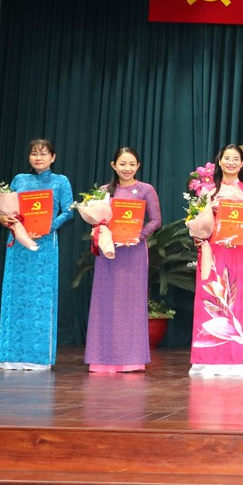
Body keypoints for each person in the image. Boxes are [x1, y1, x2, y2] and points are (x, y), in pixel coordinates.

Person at [0, 139, 74, 370]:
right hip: (18, 242)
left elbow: (69, 210)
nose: (38, 157)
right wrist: (3, 218)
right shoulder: (20, 179)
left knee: (41, 296)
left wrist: (50, 226)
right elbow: (5, 210)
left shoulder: (61, 181)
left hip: (45, 244)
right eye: (34, 153)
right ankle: (10, 356)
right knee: (15, 296)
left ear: (53, 157)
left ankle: (39, 358)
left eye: (44, 153)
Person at [85, 147, 162, 373]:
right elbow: (96, 220)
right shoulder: (103, 191)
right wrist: (104, 231)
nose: (126, 168)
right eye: (122, 164)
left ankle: (131, 359)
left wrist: (139, 236)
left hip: (134, 253)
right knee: (105, 303)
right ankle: (101, 359)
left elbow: (156, 220)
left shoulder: (146, 189)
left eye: (131, 164)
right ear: (113, 165)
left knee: (131, 304)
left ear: (138, 166)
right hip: (110, 252)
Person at [190, 144, 243, 377]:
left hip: (236, 253)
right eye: (227, 158)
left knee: (236, 300)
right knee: (208, 299)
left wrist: (240, 236)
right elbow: (198, 222)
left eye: (236, 159)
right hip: (212, 252)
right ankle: (205, 361)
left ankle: (236, 362)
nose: (231, 162)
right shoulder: (207, 193)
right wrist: (199, 237)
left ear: (242, 164)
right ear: (219, 162)